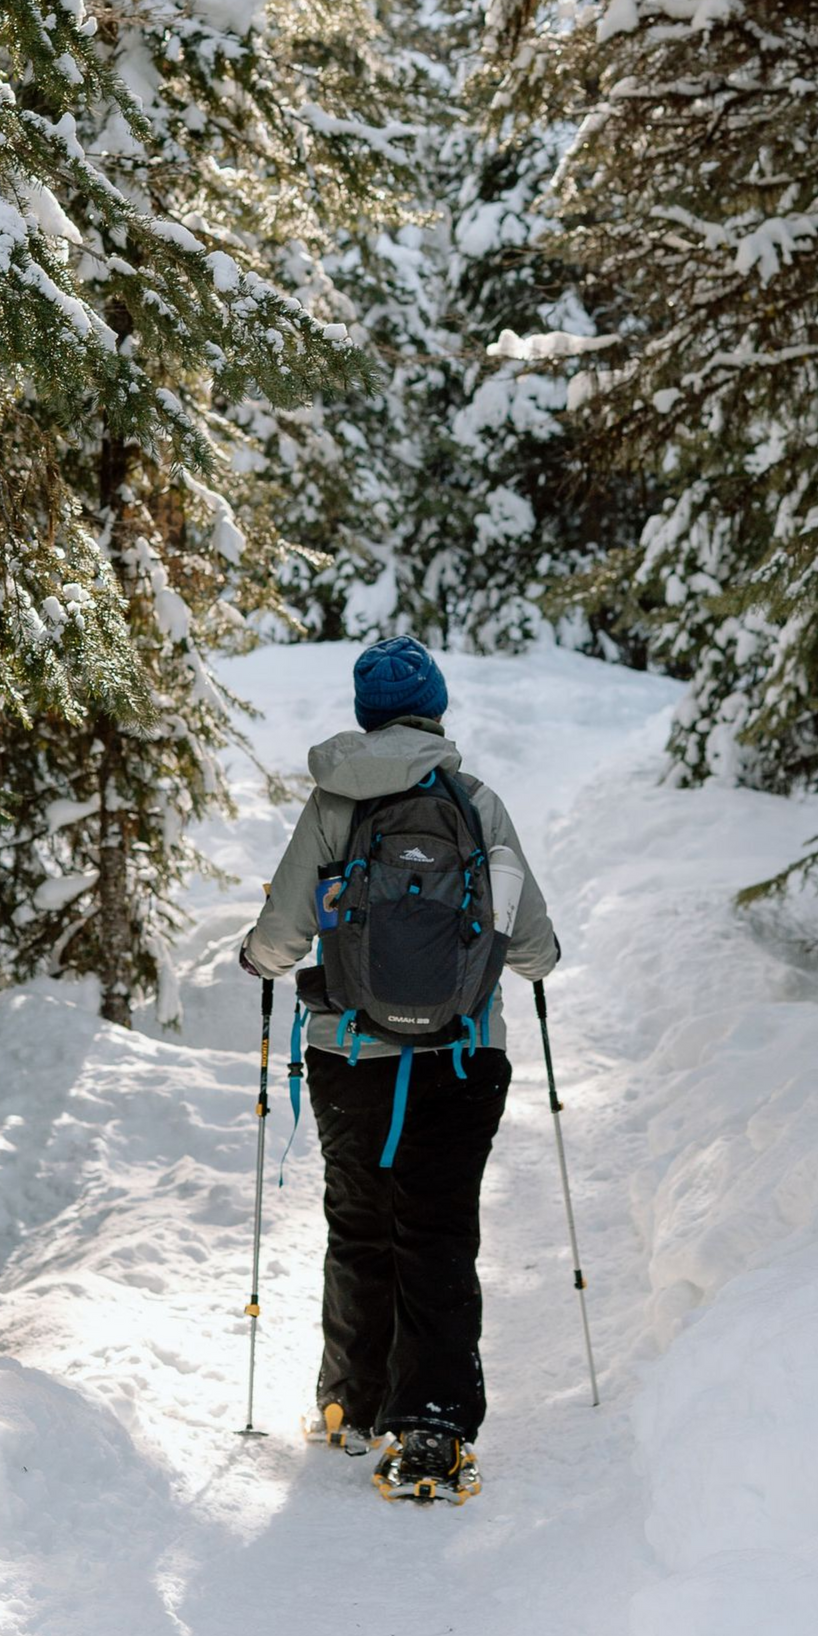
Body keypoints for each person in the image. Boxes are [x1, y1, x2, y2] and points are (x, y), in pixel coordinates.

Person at [240, 636, 559, 1495]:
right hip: (460, 1058)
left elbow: (281, 938)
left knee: (359, 1221)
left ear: (363, 713)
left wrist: (257, 959)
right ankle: (434, 1424)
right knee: (439, 1231)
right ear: (437, 708)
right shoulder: (475, 802)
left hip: (349, 1056)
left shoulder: (331, 805)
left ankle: (352, 1400)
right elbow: (531, 947)